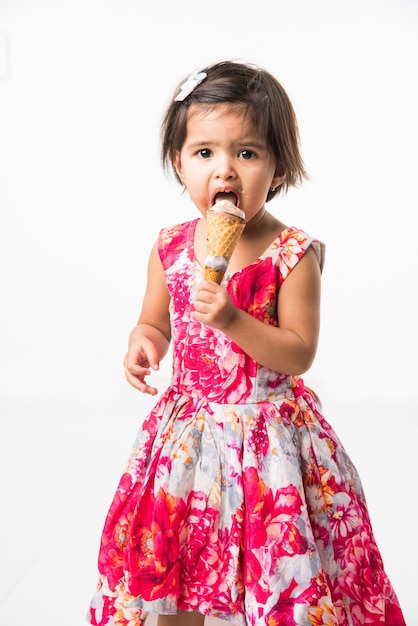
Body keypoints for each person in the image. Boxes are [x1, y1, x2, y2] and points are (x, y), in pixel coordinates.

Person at [88, 61, 405, 626]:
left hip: (269, 444)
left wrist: (234, 319)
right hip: (188, 438)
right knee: (176, 560)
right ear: (178, 164)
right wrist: (145, 341)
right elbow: (155, 321)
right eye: (204, 153)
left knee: (282, 574)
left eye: (248, 153)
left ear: (278, 165)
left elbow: (298, 350)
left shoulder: (292, 254)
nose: (225, 170)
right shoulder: (170, 247)